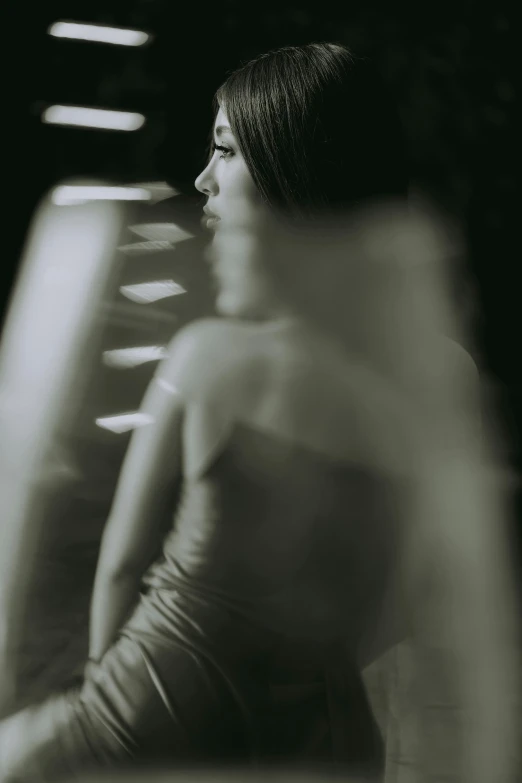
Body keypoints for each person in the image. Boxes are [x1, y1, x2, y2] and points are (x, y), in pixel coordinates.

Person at [0, 43, 518, 783]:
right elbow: (412, 593)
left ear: (288, 166)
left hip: (149, 703)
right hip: (328, 732)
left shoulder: (209, 355)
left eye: (225, 151)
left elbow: (121, 564)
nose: (202, 179)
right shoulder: (440, 371)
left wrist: (113, 709)